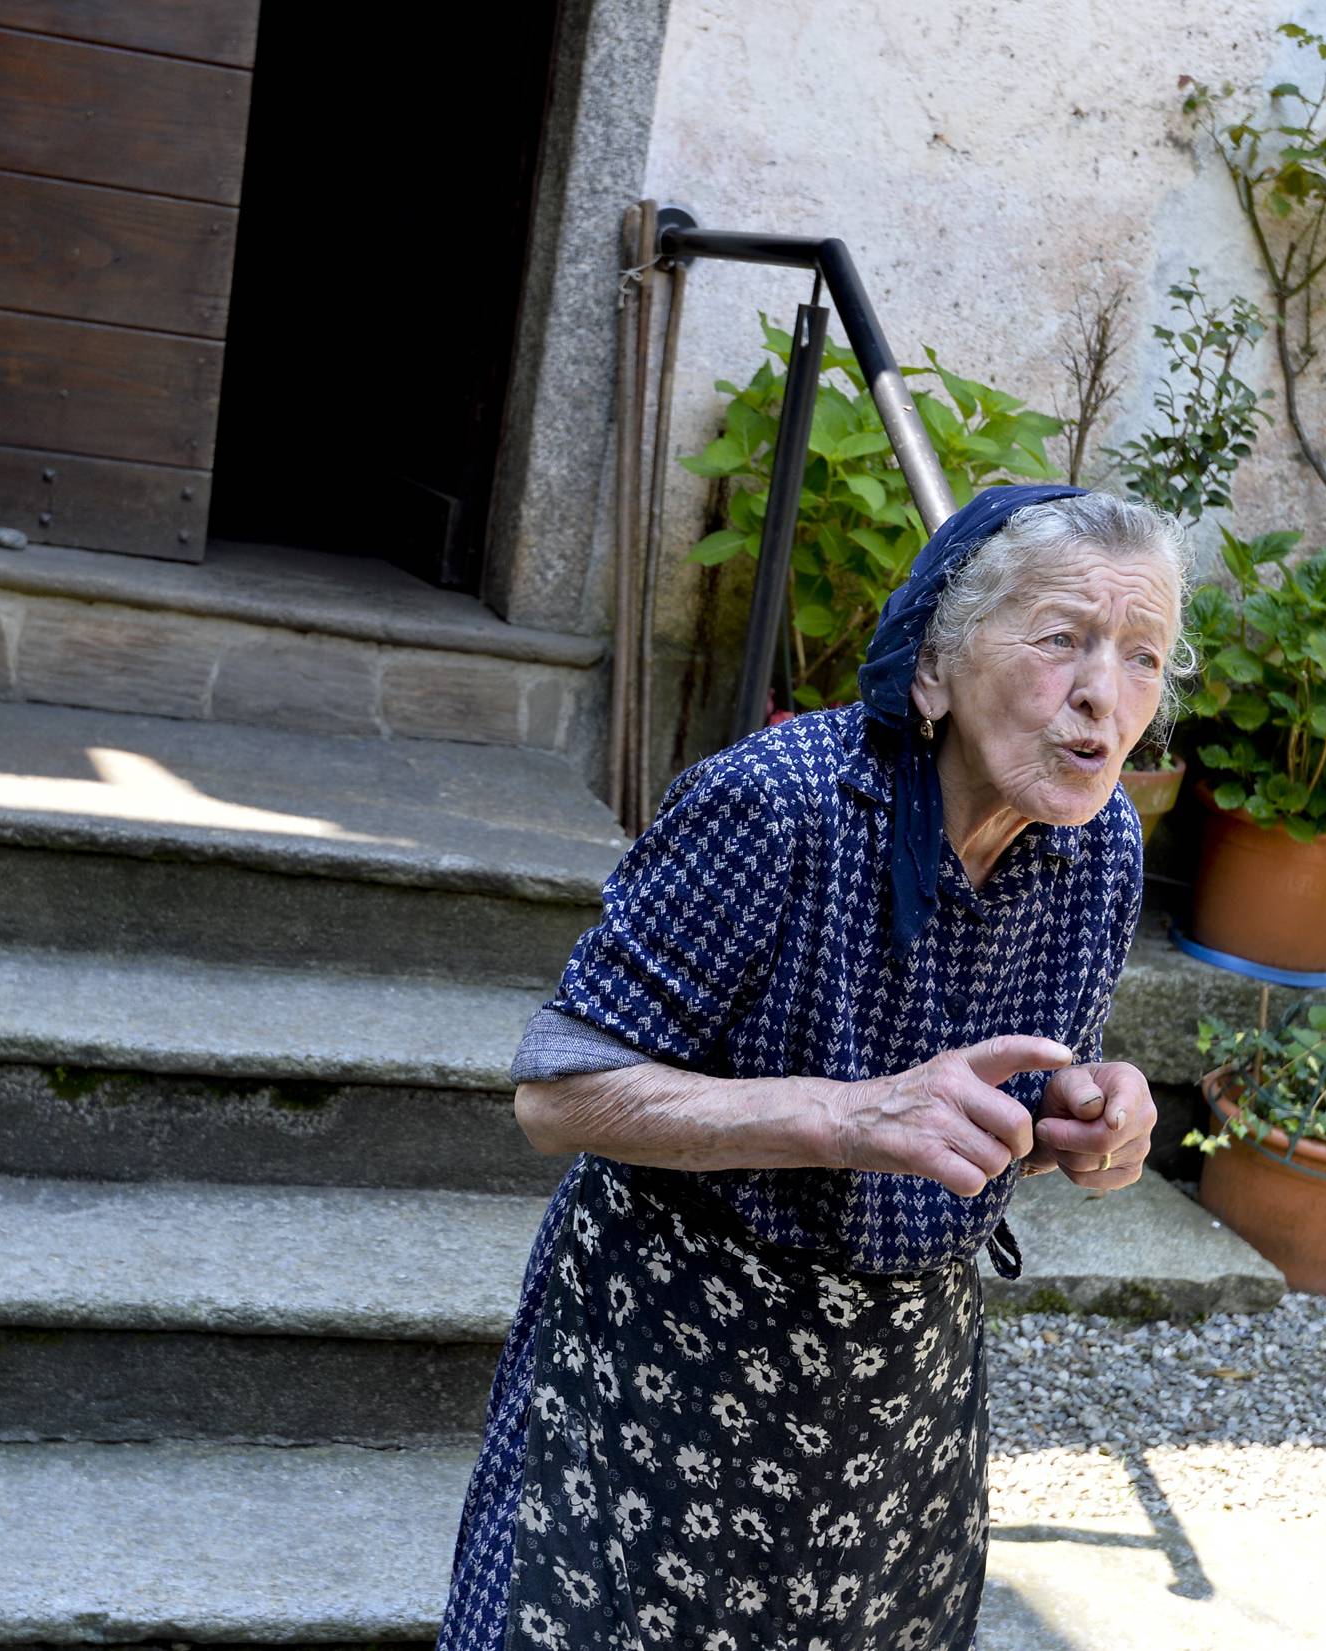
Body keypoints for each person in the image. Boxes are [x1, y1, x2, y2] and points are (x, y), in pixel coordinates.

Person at [441, 485, 1188, 1651]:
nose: (1106, 694)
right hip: (674, 1352)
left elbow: (999, 1114)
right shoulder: (778, 806)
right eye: (1062, 641)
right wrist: (848, 1117)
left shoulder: (1099, 850)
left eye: (1143, 656)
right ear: (935, 670)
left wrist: (1079, 1124)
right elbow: (558, 1091)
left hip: (895, 1395)